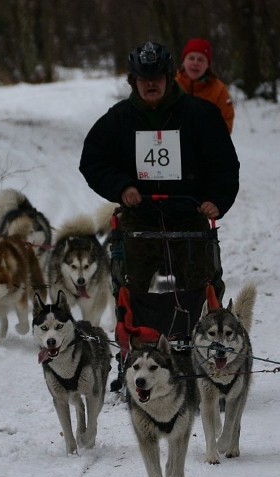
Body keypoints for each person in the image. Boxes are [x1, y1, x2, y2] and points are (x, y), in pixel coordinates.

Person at [79, 41, 239, 298]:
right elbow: (93, 161)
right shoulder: (118, 119)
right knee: (131, 290)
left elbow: (225, 165)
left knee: (202, 288)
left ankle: (197, 332)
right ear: (133, 81)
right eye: (143, 79)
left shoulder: (201, 115)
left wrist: (215, 199)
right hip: (139, 215)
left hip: (190, 214)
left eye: (156, 78)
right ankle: (141, 336)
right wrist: (122, 186)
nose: (150, 84)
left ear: (168, 78)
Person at [175, 38, 234, 134]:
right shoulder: (171, 85)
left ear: (207, 65)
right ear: (183, 62)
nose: (195, 63)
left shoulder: (219, 90)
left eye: (200, 59)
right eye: (191, 58)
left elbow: (226, 123)